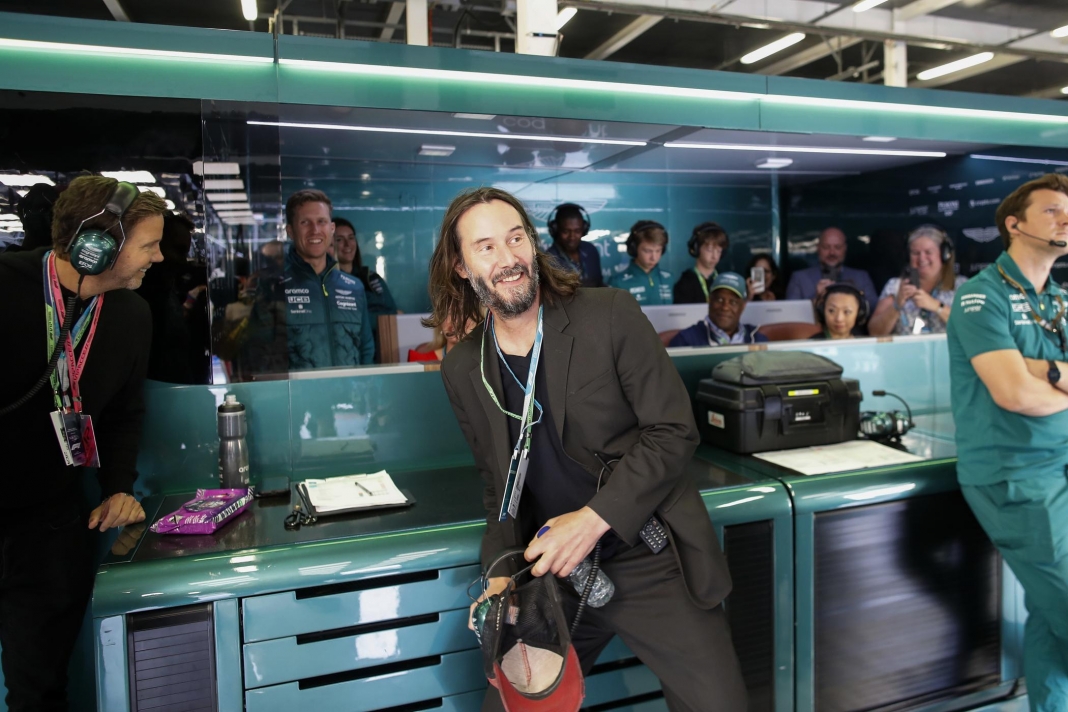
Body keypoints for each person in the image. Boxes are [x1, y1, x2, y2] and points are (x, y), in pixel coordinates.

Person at [429, 187, 746, 712]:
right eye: (485, 247)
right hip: (553, 574)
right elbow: (498, 487)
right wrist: (501, 574)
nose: (507, 258)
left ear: (533, 245)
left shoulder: (608, 314)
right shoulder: (464, 367)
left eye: (515, 239)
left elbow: (673, 431)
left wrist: (593, 519)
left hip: (648, 553)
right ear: (461, 267)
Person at [0, 175, 163, 710]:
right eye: (148, 244)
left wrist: (118, 486)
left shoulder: (132, 315)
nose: (158, 257)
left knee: (40, 685)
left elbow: (125, 413)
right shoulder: (6, 285)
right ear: (99, 244)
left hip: (49, 525)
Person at [947, 173, 1068, 712]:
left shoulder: (1060, 299)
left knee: (1050, 614)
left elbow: (1034, 382)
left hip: (1060, 466)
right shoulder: (980, 297)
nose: (1066, 221)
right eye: (1052, 212)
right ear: (1013, 225)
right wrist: (1042, 376)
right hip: (1016, 477)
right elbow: (1015, 392)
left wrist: (1049, 373)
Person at [246, 190, 375, 372]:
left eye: (321, 221)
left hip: (347, 397)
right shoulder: (272, 287)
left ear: (331, 229)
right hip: (298, 399)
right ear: (290, 231)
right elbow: (258, 356)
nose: (315, 230)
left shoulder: (354, 287)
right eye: (305, 222)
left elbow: (366, 350)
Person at [868, 225, 967, 336]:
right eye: (915, 253)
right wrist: (897, 305)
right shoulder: (895, 286)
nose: (922, 258)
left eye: (928, 252)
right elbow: (874, 332)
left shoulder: (962, 286)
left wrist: (936, 306)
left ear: (944, 254)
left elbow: (971, 328)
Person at [785, 227, 877, 310]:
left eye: (837, 247)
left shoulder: (861, 277)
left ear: (845, 249)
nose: (832, 253)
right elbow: (790, 313)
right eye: (826, 247)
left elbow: (873, 310)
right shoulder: (799, 278)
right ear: (818, 248)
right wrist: (816, 298)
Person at [669, 272, 767, 347]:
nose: (725, 307)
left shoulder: (757, 339)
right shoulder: (686, 340)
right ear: (709, 300)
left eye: (733, 302)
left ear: (743, 306)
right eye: (719, 300)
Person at [608, 220, 673, 305]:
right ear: (634, 249)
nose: (654, 258)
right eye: (647, 251)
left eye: (658, 251)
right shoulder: (618, 283)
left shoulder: (669, 279)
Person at [545, 202, 604, 288]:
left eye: (577, 231)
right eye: (566, 231)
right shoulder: (549, 260)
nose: (572, 237)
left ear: (584, 229)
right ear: (556, 230)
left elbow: (600, 284)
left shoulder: (591, 250)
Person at [673, 222, 727, 304]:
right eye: (710, 250)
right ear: (696, 249)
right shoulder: (685, 283)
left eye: (719, 251)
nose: (715, 256)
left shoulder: (725, 280)